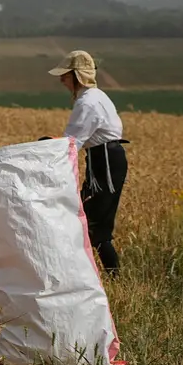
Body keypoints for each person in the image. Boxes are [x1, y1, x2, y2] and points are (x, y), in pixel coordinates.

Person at [52, 49, 127, 271]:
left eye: (65, 75)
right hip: (104, 160)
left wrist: (47, 150)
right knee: (91, 222)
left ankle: (108, 275)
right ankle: (107, 275)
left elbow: (71, 143)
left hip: (105, 163)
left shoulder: (87, 103)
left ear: (77, 76)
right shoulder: (96, 96)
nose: (61, 80)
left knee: (90, 222)